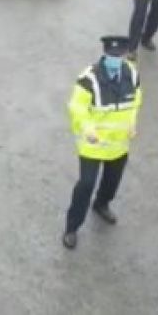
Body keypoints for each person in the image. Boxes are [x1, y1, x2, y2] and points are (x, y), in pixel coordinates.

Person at [62, 35, 142, 250]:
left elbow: (135, 100)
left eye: (119, 56)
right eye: (111, 56)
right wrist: (87, 128)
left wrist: (132, 123)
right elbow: (77, 107)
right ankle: (72, 227)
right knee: (86, 184)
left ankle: (102, 203)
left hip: (119, 144)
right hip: (93, 144)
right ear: (104, 55)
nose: (115, 59)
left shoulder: (132, 74)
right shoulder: (89, 78)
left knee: (112, 181)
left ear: (124, 55)